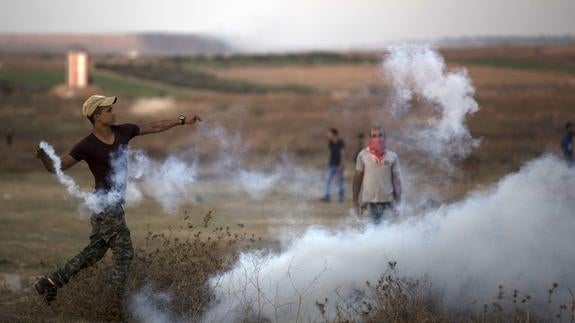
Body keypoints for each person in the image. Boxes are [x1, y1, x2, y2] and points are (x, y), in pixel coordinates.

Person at [33, 95, 201, 307]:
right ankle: (111, 306)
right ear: (96, 116)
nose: (114, 113)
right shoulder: (87, 145)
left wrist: (182, 119)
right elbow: (58, 167)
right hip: (104, 205)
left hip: (114, 204)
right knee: (124, 253)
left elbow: (154, 126)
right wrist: (45, 159)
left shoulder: (123, 131)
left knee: (95, 252)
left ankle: (50, 283)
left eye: (113, 109)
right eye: (108, 110)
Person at [353, 126, 402, 224]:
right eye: (374, 136)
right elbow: (357, 178)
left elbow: (396, 180)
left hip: (387, 202)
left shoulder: (393, 156)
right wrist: (355, 201)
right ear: (370, 138)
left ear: (385, 137)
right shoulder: (362, 155)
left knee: (387, 234)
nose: (377, 139)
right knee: (370, 234)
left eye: (380, 136)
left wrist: (398, 201)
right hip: (368, 202)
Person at [321, 128, 345, 202]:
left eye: (330, 134)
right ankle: (327, 196)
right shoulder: (330, 143)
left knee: (340, 181)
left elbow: (342, 153)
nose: (328, 135)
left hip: (338, 164)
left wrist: (342, 164)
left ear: (334, 134)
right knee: (328, 180)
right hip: (331, 164)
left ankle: (341, 197)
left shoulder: (340, 142)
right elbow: (331, 154)